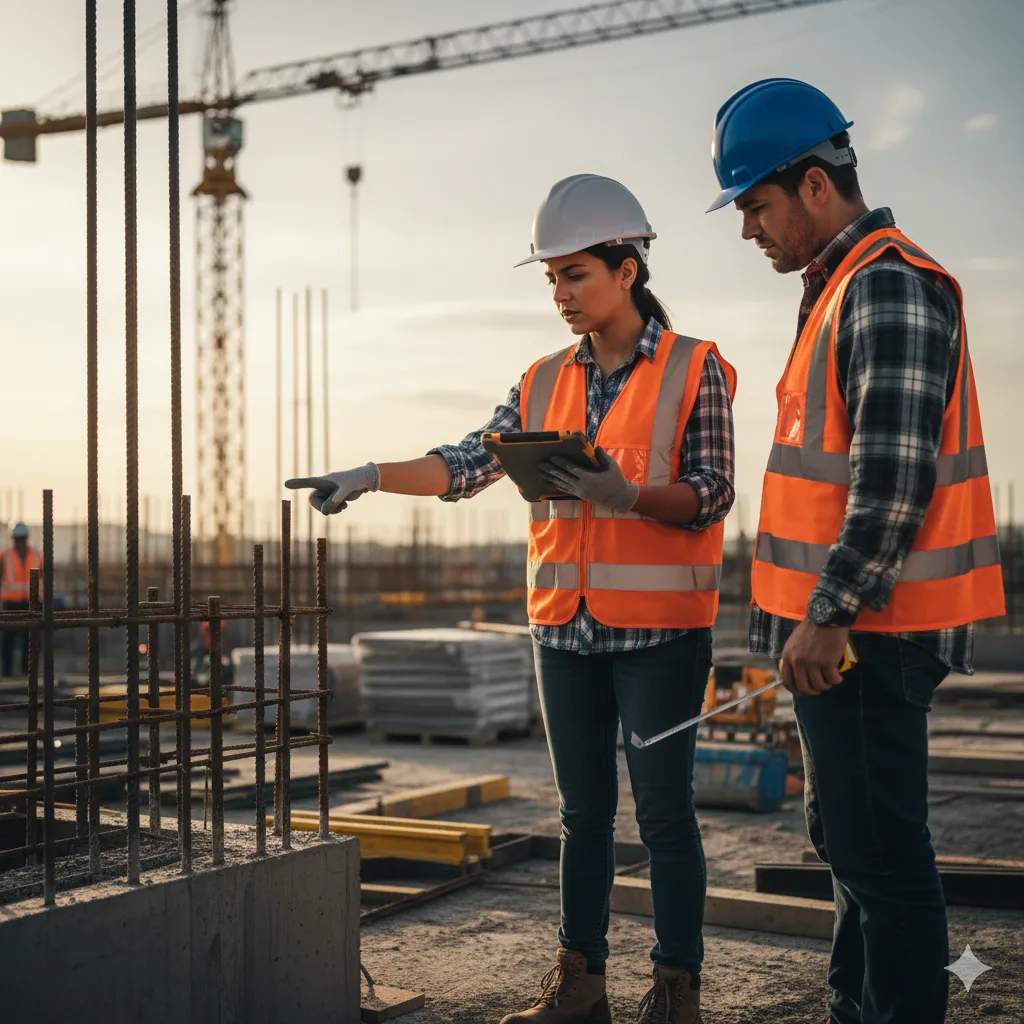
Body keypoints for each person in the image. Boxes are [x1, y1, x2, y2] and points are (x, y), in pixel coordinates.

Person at [288, 173, 736, 1024]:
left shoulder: (694, 368)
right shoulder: (539, 379)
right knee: (582, 815)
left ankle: (678, 992)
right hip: (564, 634)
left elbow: (713, 493)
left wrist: (625, 495)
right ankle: (580, 985)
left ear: (627, 270)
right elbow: (469, 461)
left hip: (661, 638)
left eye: (577, 275)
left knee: (668, 818)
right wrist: (372, 476)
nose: (562, 294)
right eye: (552, 279)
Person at [706, 78, 1005, 1024]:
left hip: (869, 634)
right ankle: (857, 1005)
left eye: (755, 204)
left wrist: (828, 615)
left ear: (813, 185)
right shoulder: (838, 288)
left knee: (881, 856)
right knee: (849, 843)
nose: (747, 228)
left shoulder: (882, 285)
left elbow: (893, 483)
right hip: (841, 637)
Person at [1, 523, 44, 677]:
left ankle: (28, 674)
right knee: (9, 640)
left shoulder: (37, 556)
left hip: (32, 603)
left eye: (22, 538)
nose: (20, 541)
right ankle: (8, 674)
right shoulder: (5, 556)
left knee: (31, 640)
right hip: (11, 603)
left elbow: (42, 577)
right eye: (18, 539)